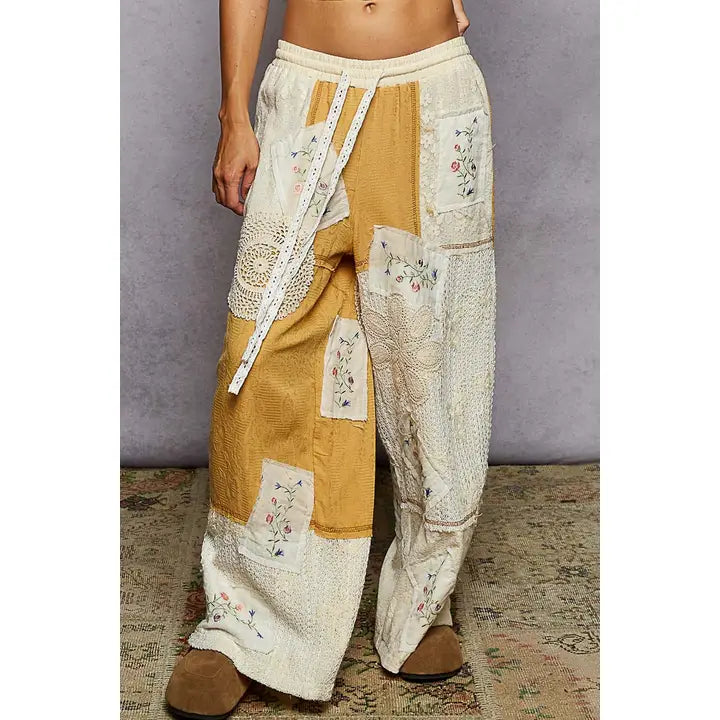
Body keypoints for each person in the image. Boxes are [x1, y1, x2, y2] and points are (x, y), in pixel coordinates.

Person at [165, 1, 496, 717]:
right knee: (262, 353)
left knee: (431, 362)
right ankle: (244, 626)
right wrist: (234, 114)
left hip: (432, 88)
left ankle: (423, 601)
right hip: (308, 87)